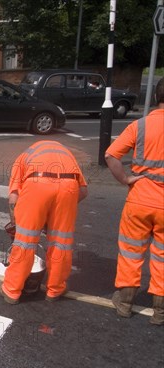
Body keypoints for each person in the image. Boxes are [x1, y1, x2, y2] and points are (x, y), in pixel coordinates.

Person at [0, 140, 88, 304]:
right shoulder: (67, 154)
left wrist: (16, 224)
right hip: (69, 186)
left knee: (25, 241)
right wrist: (56, 214)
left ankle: (11, 290)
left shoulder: (24, 156)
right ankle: (55, 290)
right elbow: (84, 191)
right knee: (61, 242)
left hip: (37, 184)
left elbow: (14, 197)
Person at [104, 77, 164, 325]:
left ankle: (125, 302)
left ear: (155, 98)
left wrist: (127, 180)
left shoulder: (140, 126)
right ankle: (160, 310)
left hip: (140, 199)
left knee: (131, 251)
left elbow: (111, 155)